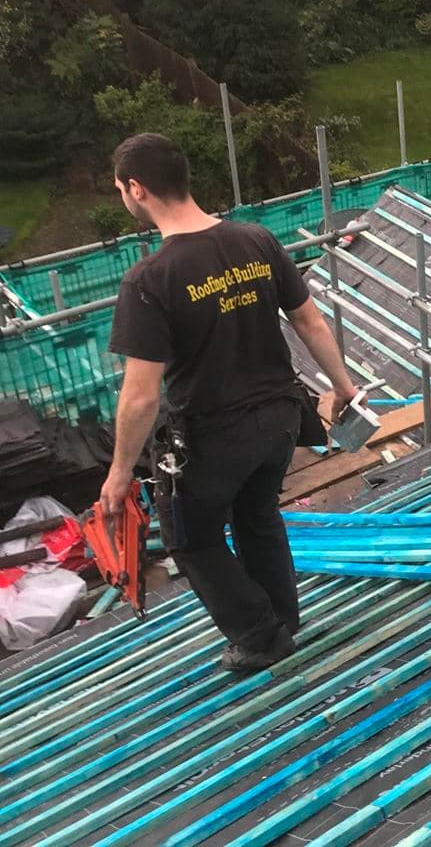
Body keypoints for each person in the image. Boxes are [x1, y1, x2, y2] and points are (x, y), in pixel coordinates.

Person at [98, 133, 359, 673]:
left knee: (190, 538)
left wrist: (120, 471)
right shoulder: (256, 241)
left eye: (122, 189)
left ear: (137, 189)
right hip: (281, 421)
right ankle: (283, 619)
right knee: (257, 514)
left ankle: (261, 636)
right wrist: (343, 385)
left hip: (218, 434)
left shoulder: (149, 280)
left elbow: (142, 395)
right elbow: (308, 319)